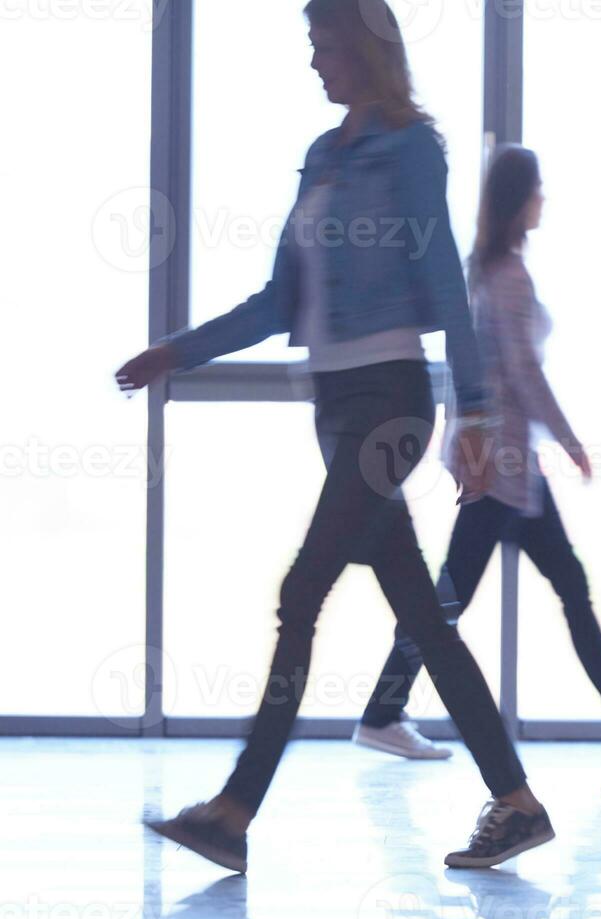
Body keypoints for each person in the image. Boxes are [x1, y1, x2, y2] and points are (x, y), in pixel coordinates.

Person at [121, 0, 553, 871]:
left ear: (364, 47)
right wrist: (180, 350)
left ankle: (234, 810)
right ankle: (517, 803)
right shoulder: (324, 156)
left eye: (323, 44)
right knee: (426, 623)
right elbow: (281, 299)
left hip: (390, 398)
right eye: (311, 45)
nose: (314, 61)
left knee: (302, 590)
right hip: (335, 404)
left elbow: (442, 279)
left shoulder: (409, 149)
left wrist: (472, 412)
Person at [353, 145, 601, 761]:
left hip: (508, 469)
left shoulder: (487, 270)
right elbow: (522, 375)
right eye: (538, 189)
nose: (544, 198)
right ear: (520, 200)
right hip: (501, 470)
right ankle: (383, 712)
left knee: (550, 588)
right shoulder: (508, 278)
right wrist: (571, 441)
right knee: (457, 599)